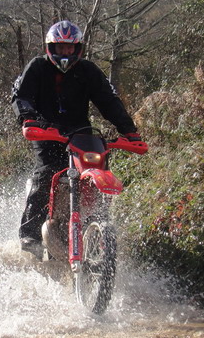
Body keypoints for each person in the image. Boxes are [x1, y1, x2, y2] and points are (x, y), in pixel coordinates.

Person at [11, 20, 143, 257]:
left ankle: (97, 227)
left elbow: (108, 101)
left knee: (96, 173)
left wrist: (129, 131)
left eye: (70, 48)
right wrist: (28, 119)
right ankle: (29, 233)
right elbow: (22, 96)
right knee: (47, 174)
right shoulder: (37, 67)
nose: (66, 52)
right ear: (52, 47)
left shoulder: (88, 70)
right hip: (46, 131)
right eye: (61, 47)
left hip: (81, 134)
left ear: (78, 48)